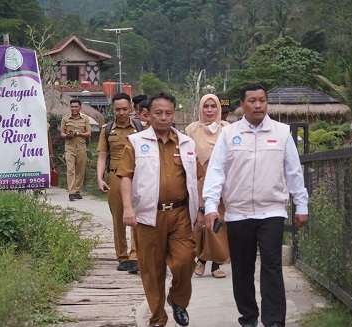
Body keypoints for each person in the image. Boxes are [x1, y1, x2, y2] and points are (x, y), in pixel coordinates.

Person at [202, 83, 309, 327]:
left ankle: (273, 321)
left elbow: (294, 171)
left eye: (262, 100)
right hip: (237, 213)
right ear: (243, 105)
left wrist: (301, 205)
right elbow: (216, 171)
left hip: (272, 211)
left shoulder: (282, 133)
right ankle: (248, 318)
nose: (258, 104)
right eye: (252, 100)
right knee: (242, 270)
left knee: (271, 267)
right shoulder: (229, 135)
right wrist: (210, 206)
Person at [117, 92, 200, 327]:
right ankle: (157, 318)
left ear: (173, 114)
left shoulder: (186, 143)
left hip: (180, 214)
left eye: (168, 113)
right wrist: (127, 208)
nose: (163, 118)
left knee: (185, 260)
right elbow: (125, 176)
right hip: (147, 215)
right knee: (152, 270)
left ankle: (177, 298)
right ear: (148, 115)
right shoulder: (136, 142)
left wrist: (204, 208)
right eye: (158, 113)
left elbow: (199, 177)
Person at [185, 94, 230, 279]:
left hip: (223, 182)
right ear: (201, 108)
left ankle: (213, 264)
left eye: (213, 106)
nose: (209, 110)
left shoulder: (227, 129)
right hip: (199, 180)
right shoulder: (191, 129)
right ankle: (202, 260)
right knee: (201, 222)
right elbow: (187, 155)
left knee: (219, 222)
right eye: (206, 106)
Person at [97, 93, 142, 273]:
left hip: (137, 177)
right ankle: (122, 257)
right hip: (115, 177)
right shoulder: (107, 130)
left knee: (136, 217)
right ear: (113, 109)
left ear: (130, 109)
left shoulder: (140, 128)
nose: (121, 113)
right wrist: (100, 178)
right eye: (118, 109)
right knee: (118, 218)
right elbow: (102, 156)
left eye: (125, 109)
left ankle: (135, 256)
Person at [60, 99, 91, 201]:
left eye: (76, 107)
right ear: (70, 107)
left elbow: (88, 133)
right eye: (72, 107)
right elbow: (62, 133)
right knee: (70, 170)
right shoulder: (65, 119)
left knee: (80, 170)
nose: (74, 109)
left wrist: (78, 133)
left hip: (81, 148)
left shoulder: (85, 119)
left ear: (80, 107)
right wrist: (68, 135)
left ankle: (77, 190)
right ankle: (71, 192)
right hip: (69, 148)